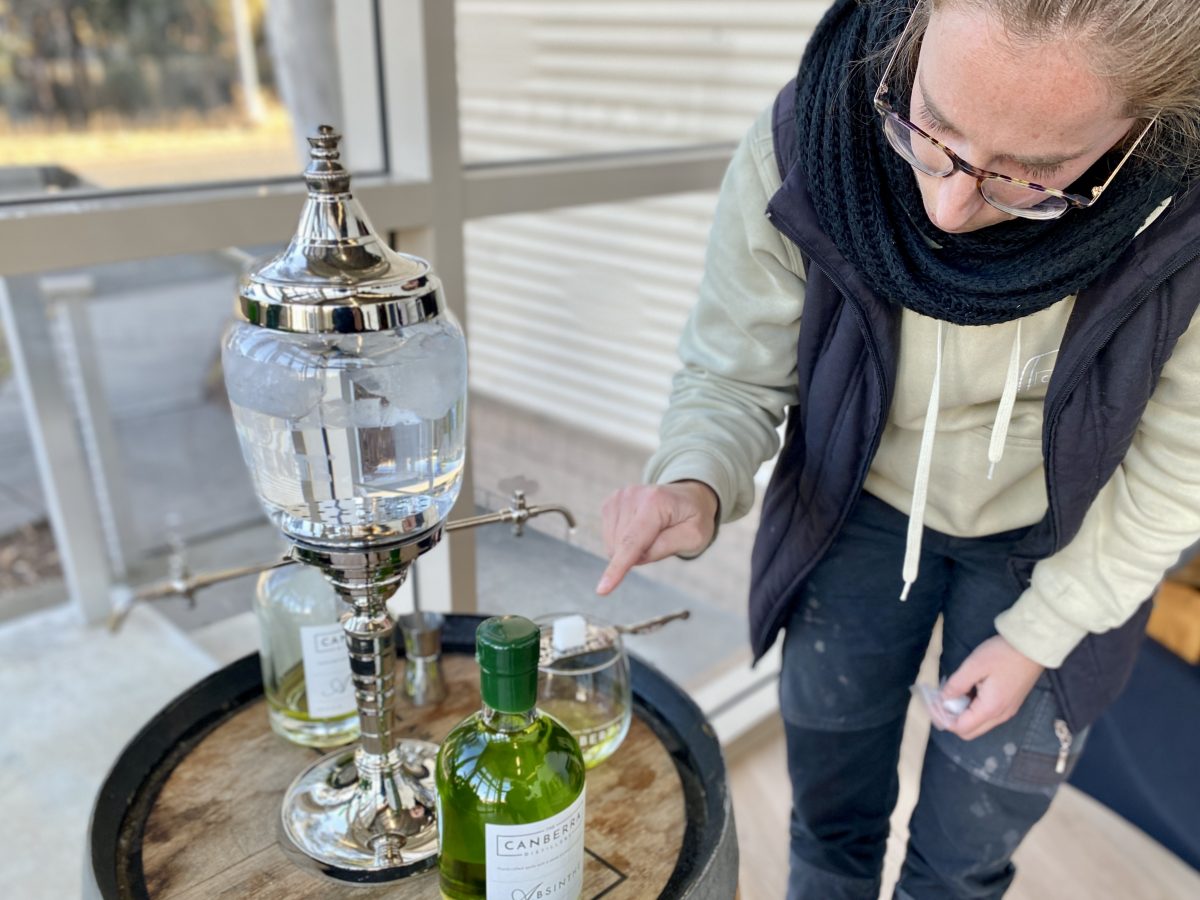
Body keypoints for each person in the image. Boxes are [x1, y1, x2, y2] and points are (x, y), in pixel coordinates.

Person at [595, 0, 1200, 897]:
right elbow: (730, 374)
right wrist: (694, 476)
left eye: (1028, 175)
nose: (950, 207)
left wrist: (1042, 635)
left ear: (1142, 132)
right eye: (934, 129)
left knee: (962, 862)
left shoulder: (1183, 224)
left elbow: (1178, 472)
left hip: (1061, 545)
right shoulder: (808, 143)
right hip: (857, 515)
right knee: (829, 827)